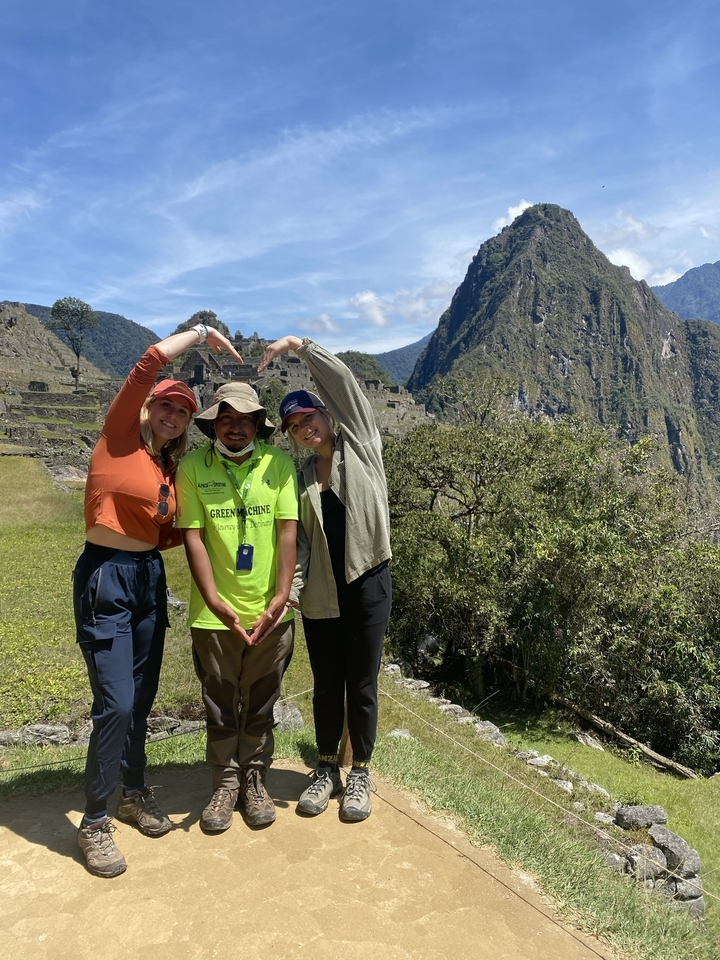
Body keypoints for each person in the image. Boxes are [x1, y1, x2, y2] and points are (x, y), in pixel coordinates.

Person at [74, 321, 243, 878]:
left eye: (182, 412)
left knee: (140, 701)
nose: (172, 416)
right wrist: (200, 334)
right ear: (148, 407)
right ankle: (94, 820)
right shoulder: (118, 436)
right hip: (107, 576)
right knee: (116, 703)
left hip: (148, 579)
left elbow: (173, 534)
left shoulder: (168, 470)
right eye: (166, 406)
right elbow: (147, 361)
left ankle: (133, 790)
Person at [257, 336, 392, 822]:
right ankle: (328, 767)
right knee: (325, 682)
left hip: (368, 580)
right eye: (293, 426)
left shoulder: (361, 446)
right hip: (321, 592)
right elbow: (306, 546)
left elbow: (347, 385)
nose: (303, 428)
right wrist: (288, 594)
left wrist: (301, 346)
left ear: (327, 414)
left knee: (362, 681)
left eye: (308, 417)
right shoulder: (298, 478)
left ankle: (361, 774)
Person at [175, 382, 298, 832]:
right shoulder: (192, 467)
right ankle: (224, 783)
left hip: (271, 614)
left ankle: (255, 778)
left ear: (257, 426)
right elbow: (193, 535)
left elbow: (287, 532)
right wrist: (213, 599)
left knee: (263, 702)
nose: (234, 426)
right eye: (225, 418)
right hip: (214, 616)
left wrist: (281, 597)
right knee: (220, 702)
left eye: (244, 419)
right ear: (213, 424)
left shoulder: (279, 464)